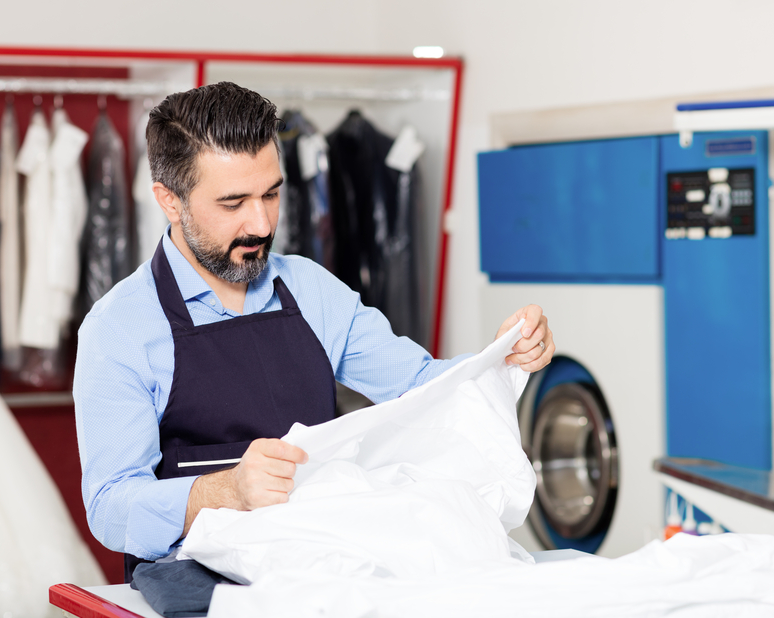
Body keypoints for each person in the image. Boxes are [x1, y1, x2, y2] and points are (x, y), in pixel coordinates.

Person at [73, 82, 555, 582]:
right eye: (234, 202)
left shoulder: (310, 288)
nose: (260, 223)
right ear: (169, 202)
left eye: (272, 194)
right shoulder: (119, 330)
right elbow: (110, 507)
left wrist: (501, 358)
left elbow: (419, 383)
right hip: (197, 582)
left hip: (323, 567)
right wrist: (226, 491)